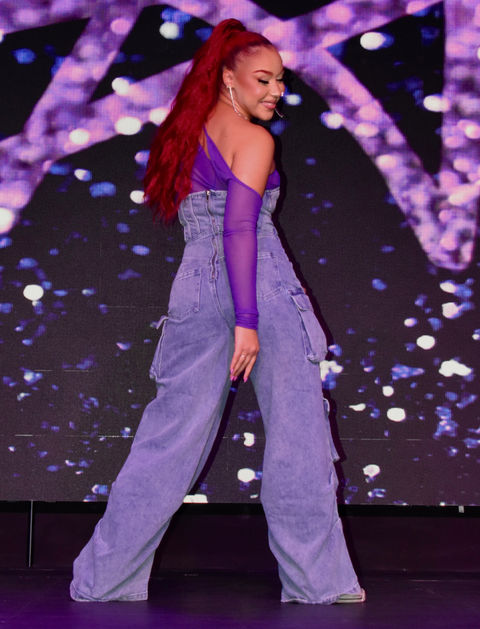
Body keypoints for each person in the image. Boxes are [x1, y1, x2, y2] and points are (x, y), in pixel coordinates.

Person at [70, 18, 365, 605]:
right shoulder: (254, 140)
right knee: (298, 436)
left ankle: (102, 580)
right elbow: (239, 229)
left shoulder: (185, 135)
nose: (277, 90)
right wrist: (247, 322)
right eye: (264, 78)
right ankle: (317, 582)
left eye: (280, 79)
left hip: (196, 283)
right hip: (259, 280)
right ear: (228, 77)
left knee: (169, 437)